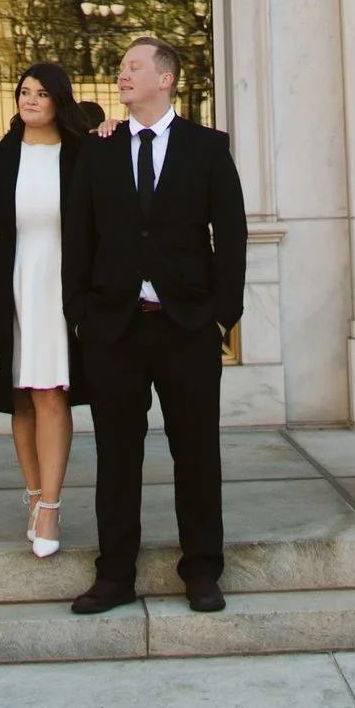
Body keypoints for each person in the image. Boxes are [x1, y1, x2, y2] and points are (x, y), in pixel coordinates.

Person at [61, 33, 246, 616]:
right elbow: (78, 236)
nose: (122, 74)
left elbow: (231, 236)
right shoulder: (99, 150)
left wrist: (224, 314)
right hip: (114, 327)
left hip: (185, 324)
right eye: (120, 68)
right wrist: (80, 313)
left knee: (196, 452)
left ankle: (202, 571)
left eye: (133, 67)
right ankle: (114, 575)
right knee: (117, 456)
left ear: (165, 79)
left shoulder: (208, 148)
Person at [0, 62, 95, 557]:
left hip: (59, 290)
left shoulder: (83, 155)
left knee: (52, 393)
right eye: (23, 91)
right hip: (6, 288)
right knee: (20, 396)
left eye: (41, 93)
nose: (29, 100)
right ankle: (32, 494)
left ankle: (51, 506)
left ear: (59, 101)